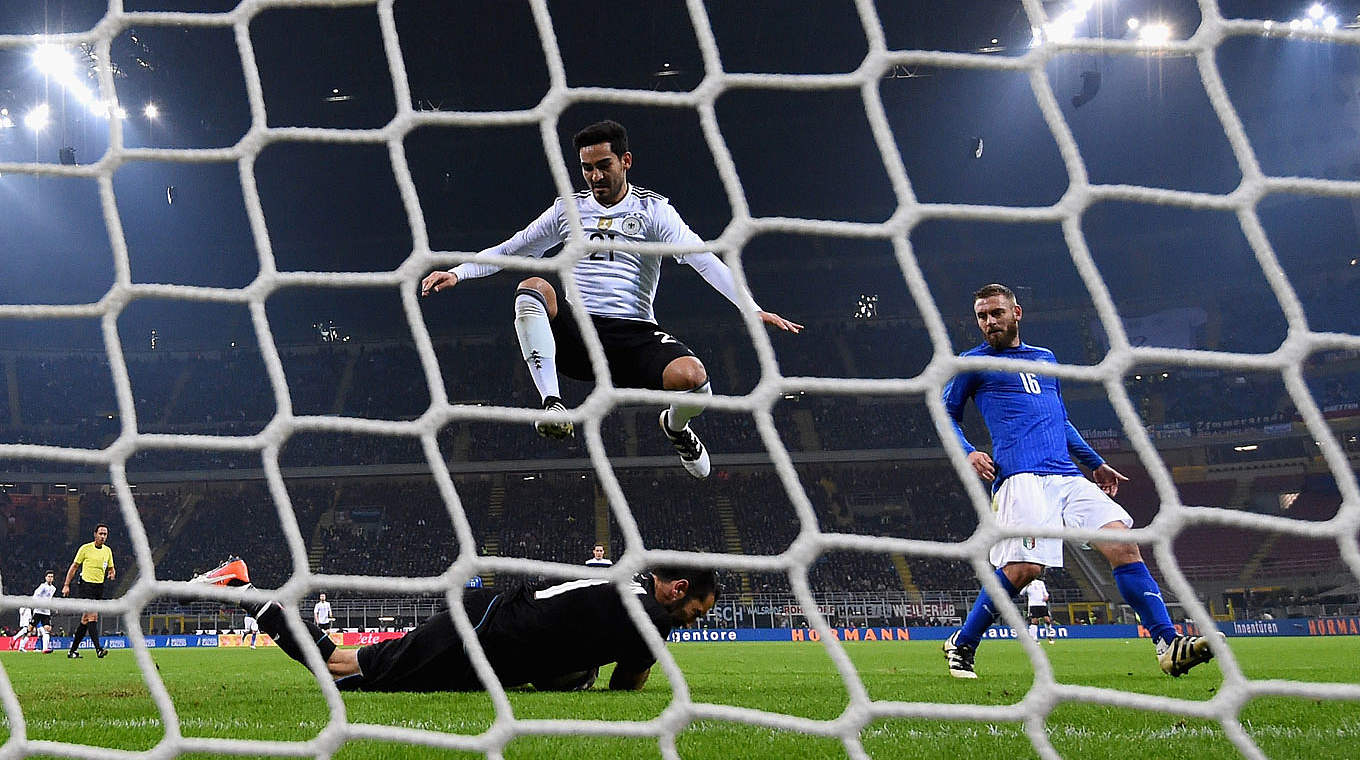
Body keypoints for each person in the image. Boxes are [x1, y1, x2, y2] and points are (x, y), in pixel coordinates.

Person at [421, 120, 802, 479]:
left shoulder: (654, 211)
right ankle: (552, 405)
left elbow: (704, 259)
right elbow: (514, 247)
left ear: (626, 161)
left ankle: (675, 426)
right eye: (587, 168)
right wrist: (458, 272)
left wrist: (752, 308)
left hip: (634, 336)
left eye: (603, 165)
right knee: (534, 285)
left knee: (695, 380)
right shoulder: (566, 209)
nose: (595, 176)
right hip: (580, 336)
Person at [941, 284, 1215, 679]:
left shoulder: (1045, 359)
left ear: (1016, 314)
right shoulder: (973, 363)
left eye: (996, 313)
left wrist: (1096, 463)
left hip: (1067, 476)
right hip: (1021, 476)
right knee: (1025, 570)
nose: (989, 322)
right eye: (982, 316)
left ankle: (1168, 644)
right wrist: (968, 450)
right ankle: (962, 644)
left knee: (1124, 545)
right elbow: (946, 412)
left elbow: (1060, 420)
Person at [192, 557, 717, 692]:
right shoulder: (650, 617)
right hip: (483, 639)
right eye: (698, 609)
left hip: (491, 625)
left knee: (355, 664)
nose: (695, 620)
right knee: (338, 668)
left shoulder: (620, 581)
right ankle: (243, 588)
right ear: (676, 590)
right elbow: (627, 681)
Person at [63, 523, 115, 659]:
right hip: (86, 585)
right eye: (101, 534)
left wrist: (111, 573)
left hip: (99, 586)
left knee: (85, 620)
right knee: (93, 616)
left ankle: (72, 651)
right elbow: (74, 567)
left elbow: (111, 567)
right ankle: (98, 649)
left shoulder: (107, 551)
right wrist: (66, 585)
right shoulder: (85, 549)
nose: (103, 536)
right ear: (95, 534)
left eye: (105, 534)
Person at [1022, 577, 1056, 645]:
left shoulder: (1040, 583)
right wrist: (1027, 586)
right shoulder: (1026, 582)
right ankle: (1034, 638)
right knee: (1034, 621)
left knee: (1047, 620)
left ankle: (1049, 636)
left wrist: (1046, 597)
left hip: (1042, 604)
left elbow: (1046, 593)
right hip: (1033, 605)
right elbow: (1022, 593)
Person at [31, 571, 56, 653]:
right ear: (45, 577)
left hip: (46, 612)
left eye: (51, 576)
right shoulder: (42, 586)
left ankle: (45, 649)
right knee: (29, 629)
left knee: (47, 629)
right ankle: (16, 639)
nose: (50, 578)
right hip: (38, 611)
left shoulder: (53, 588)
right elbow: (35, 595)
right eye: (49, 576)